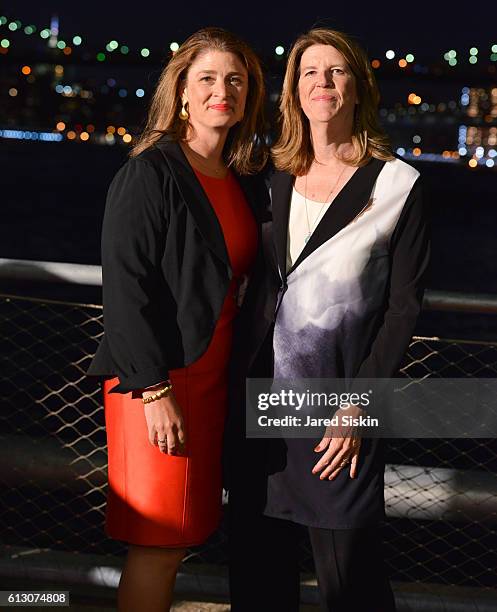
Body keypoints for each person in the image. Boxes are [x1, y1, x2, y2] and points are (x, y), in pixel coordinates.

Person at [227, 28, 430, 612]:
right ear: (294, 89)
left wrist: (360, 405)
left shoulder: (399, 186)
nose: (323, 82)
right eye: (309, 72)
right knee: (260, 582)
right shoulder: (270, 174)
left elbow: (403, 309)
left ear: (358, 87)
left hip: (338, 415)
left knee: (353, 585)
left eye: (336, 70)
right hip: (260, 406)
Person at [87, 27, 268, 612]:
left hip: (213, 381)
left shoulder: (239, 179)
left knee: (184, 537)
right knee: (158, 546)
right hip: (159, 383)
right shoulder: (152, 172)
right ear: (183, 92)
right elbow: (125, 287)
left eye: (236, 80)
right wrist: (153, 388)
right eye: (209, 78)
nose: (224, 91)